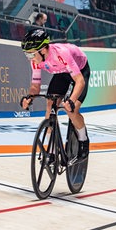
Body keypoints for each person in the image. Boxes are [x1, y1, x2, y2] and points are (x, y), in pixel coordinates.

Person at [20, 29, 90, 160]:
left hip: (79, 71)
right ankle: (52, 151)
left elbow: (79, 81)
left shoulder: (61, 53)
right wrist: (29, 97)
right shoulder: (36, 60)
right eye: (27, 55)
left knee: (71, 110)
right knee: (49, 106)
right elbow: (35, 86)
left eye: (31, 55)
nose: (30, 58)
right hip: (62, 73)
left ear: (43, 50)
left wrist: (71, 101)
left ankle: (83, 140)